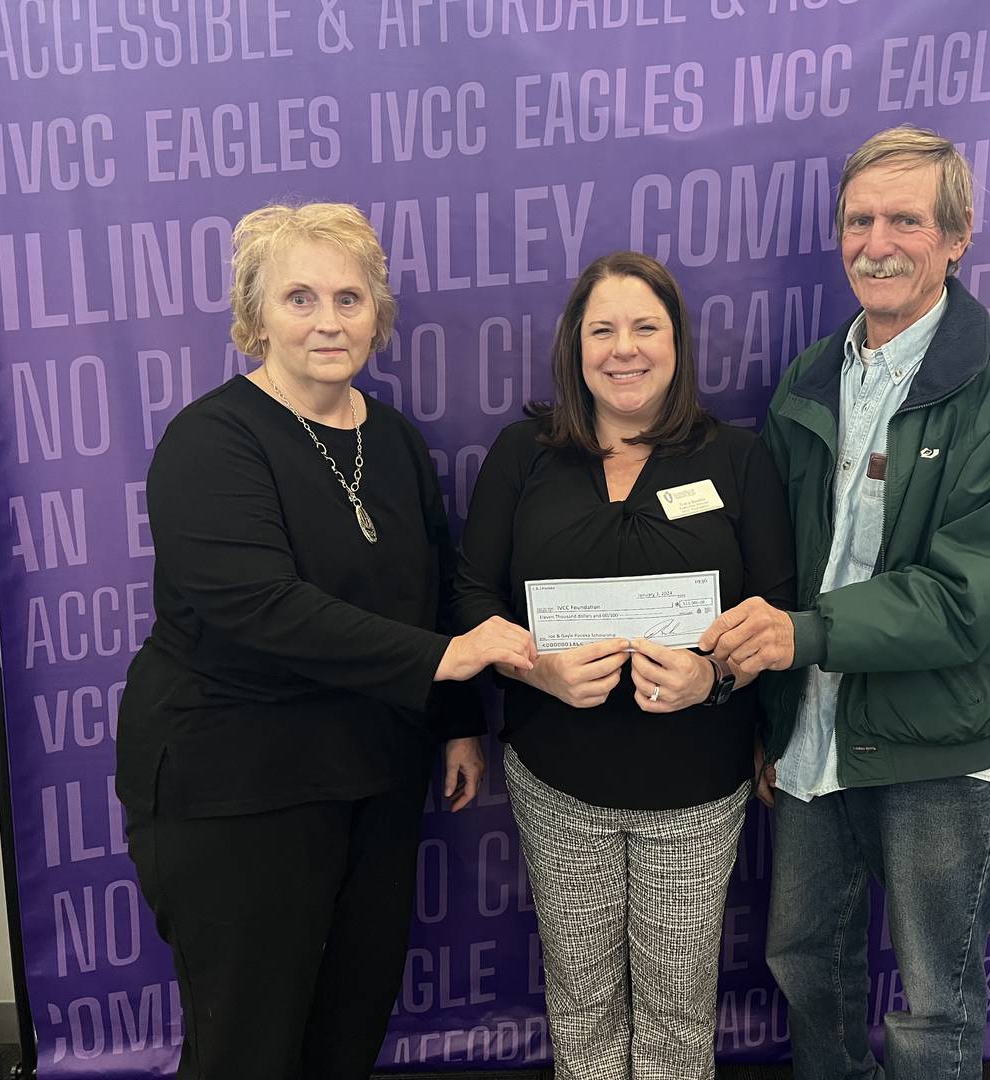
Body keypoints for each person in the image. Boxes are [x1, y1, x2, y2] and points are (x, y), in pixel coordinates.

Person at [115, 202, 534, 1080]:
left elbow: (431, 586)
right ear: (253, 317)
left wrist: (455, 717)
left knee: (350, 1024)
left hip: (372, 776)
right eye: (298, 298)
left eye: (349, 298)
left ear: (377, 316)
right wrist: (442, 663)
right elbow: (259, 605)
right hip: (237, 785)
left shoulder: (393, 441)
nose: (328, 321)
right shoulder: (210, 441)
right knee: (249, 1046)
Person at [700, 126, 990, 1080]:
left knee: (934, 1008)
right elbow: (775, 564)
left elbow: (971, 595)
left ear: (958, 237)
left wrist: (804, 636)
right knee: (803, 971)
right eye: (860, 219)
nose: (878, 241)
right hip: (811, 736)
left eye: (906, 219)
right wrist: (768, 707)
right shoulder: (810, 376)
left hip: (936, 747)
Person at [454, 251, 796, 1079]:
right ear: (576, 347)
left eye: (646, 327)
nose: (624, 349)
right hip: (557, 779)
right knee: (581, 1001)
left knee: (680, 1011)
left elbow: (778, 617)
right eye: (602, 329)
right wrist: (536, 671)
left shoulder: (737, 459)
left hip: (695, 786)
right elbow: (470, 597)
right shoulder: (523, 454)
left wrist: (712, 676)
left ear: (677, 343)